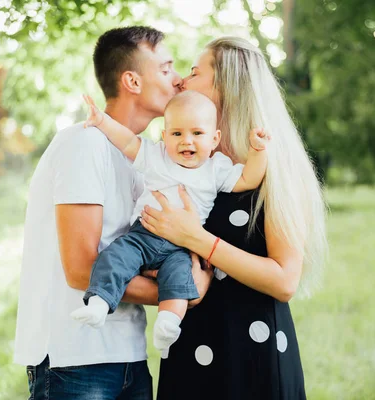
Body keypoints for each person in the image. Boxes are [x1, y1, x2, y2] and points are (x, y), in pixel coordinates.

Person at [13, 26, 212, 400]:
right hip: (75, 359)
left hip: (129, 356)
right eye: (166, 67)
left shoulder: (150, 161)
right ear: (132, 81)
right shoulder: (84, 143)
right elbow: (81, 270)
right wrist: (182, 293)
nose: (179, 79)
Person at [139, 37, 328, 400]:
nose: (180, 81)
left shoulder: (271, 168)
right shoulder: (195, 165)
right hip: (192, 345)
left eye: (194, 73)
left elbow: (285, 280)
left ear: (226, 85)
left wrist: (198, 240)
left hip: (251, 356)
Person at [71, 90, 270, 358]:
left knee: (178, 278)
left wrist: (258, 151)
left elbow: (248, 179)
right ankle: (98, 304)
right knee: (114, 257)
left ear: (215, 139)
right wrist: (102, 121)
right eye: (176, 134)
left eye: (197, 134)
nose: (186, 141)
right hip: (143, 235)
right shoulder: (157, 156)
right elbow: (128, 142)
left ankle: (168, 323)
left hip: (181, 246)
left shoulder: (216, 169)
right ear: (164, 137)